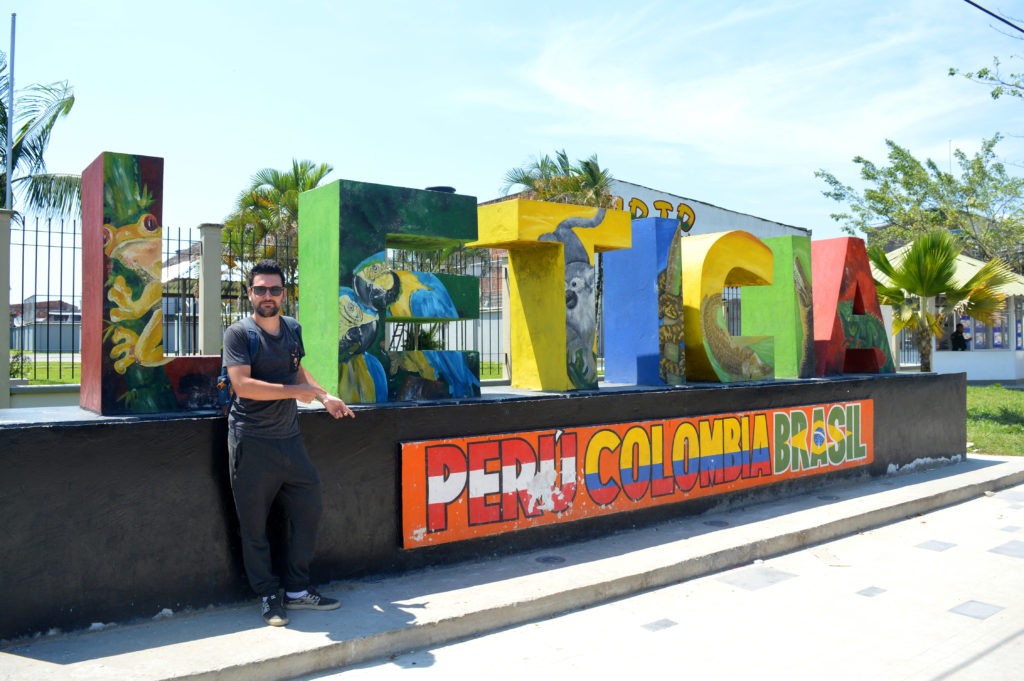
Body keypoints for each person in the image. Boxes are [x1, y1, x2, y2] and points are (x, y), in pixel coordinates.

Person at [223, 259, 355, 627]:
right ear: (249, 293)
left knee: (309, 509)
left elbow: (298, 369)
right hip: (251, 441)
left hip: (290, 441)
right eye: (260, 289)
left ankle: (297, 591)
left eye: (275, 289)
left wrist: (324, 395)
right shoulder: (239, 334)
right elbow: (243, 386)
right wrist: (297, 392)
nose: (268, 295)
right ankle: (268, 595)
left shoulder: (293, 329)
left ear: (285, 293)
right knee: (254, 526)